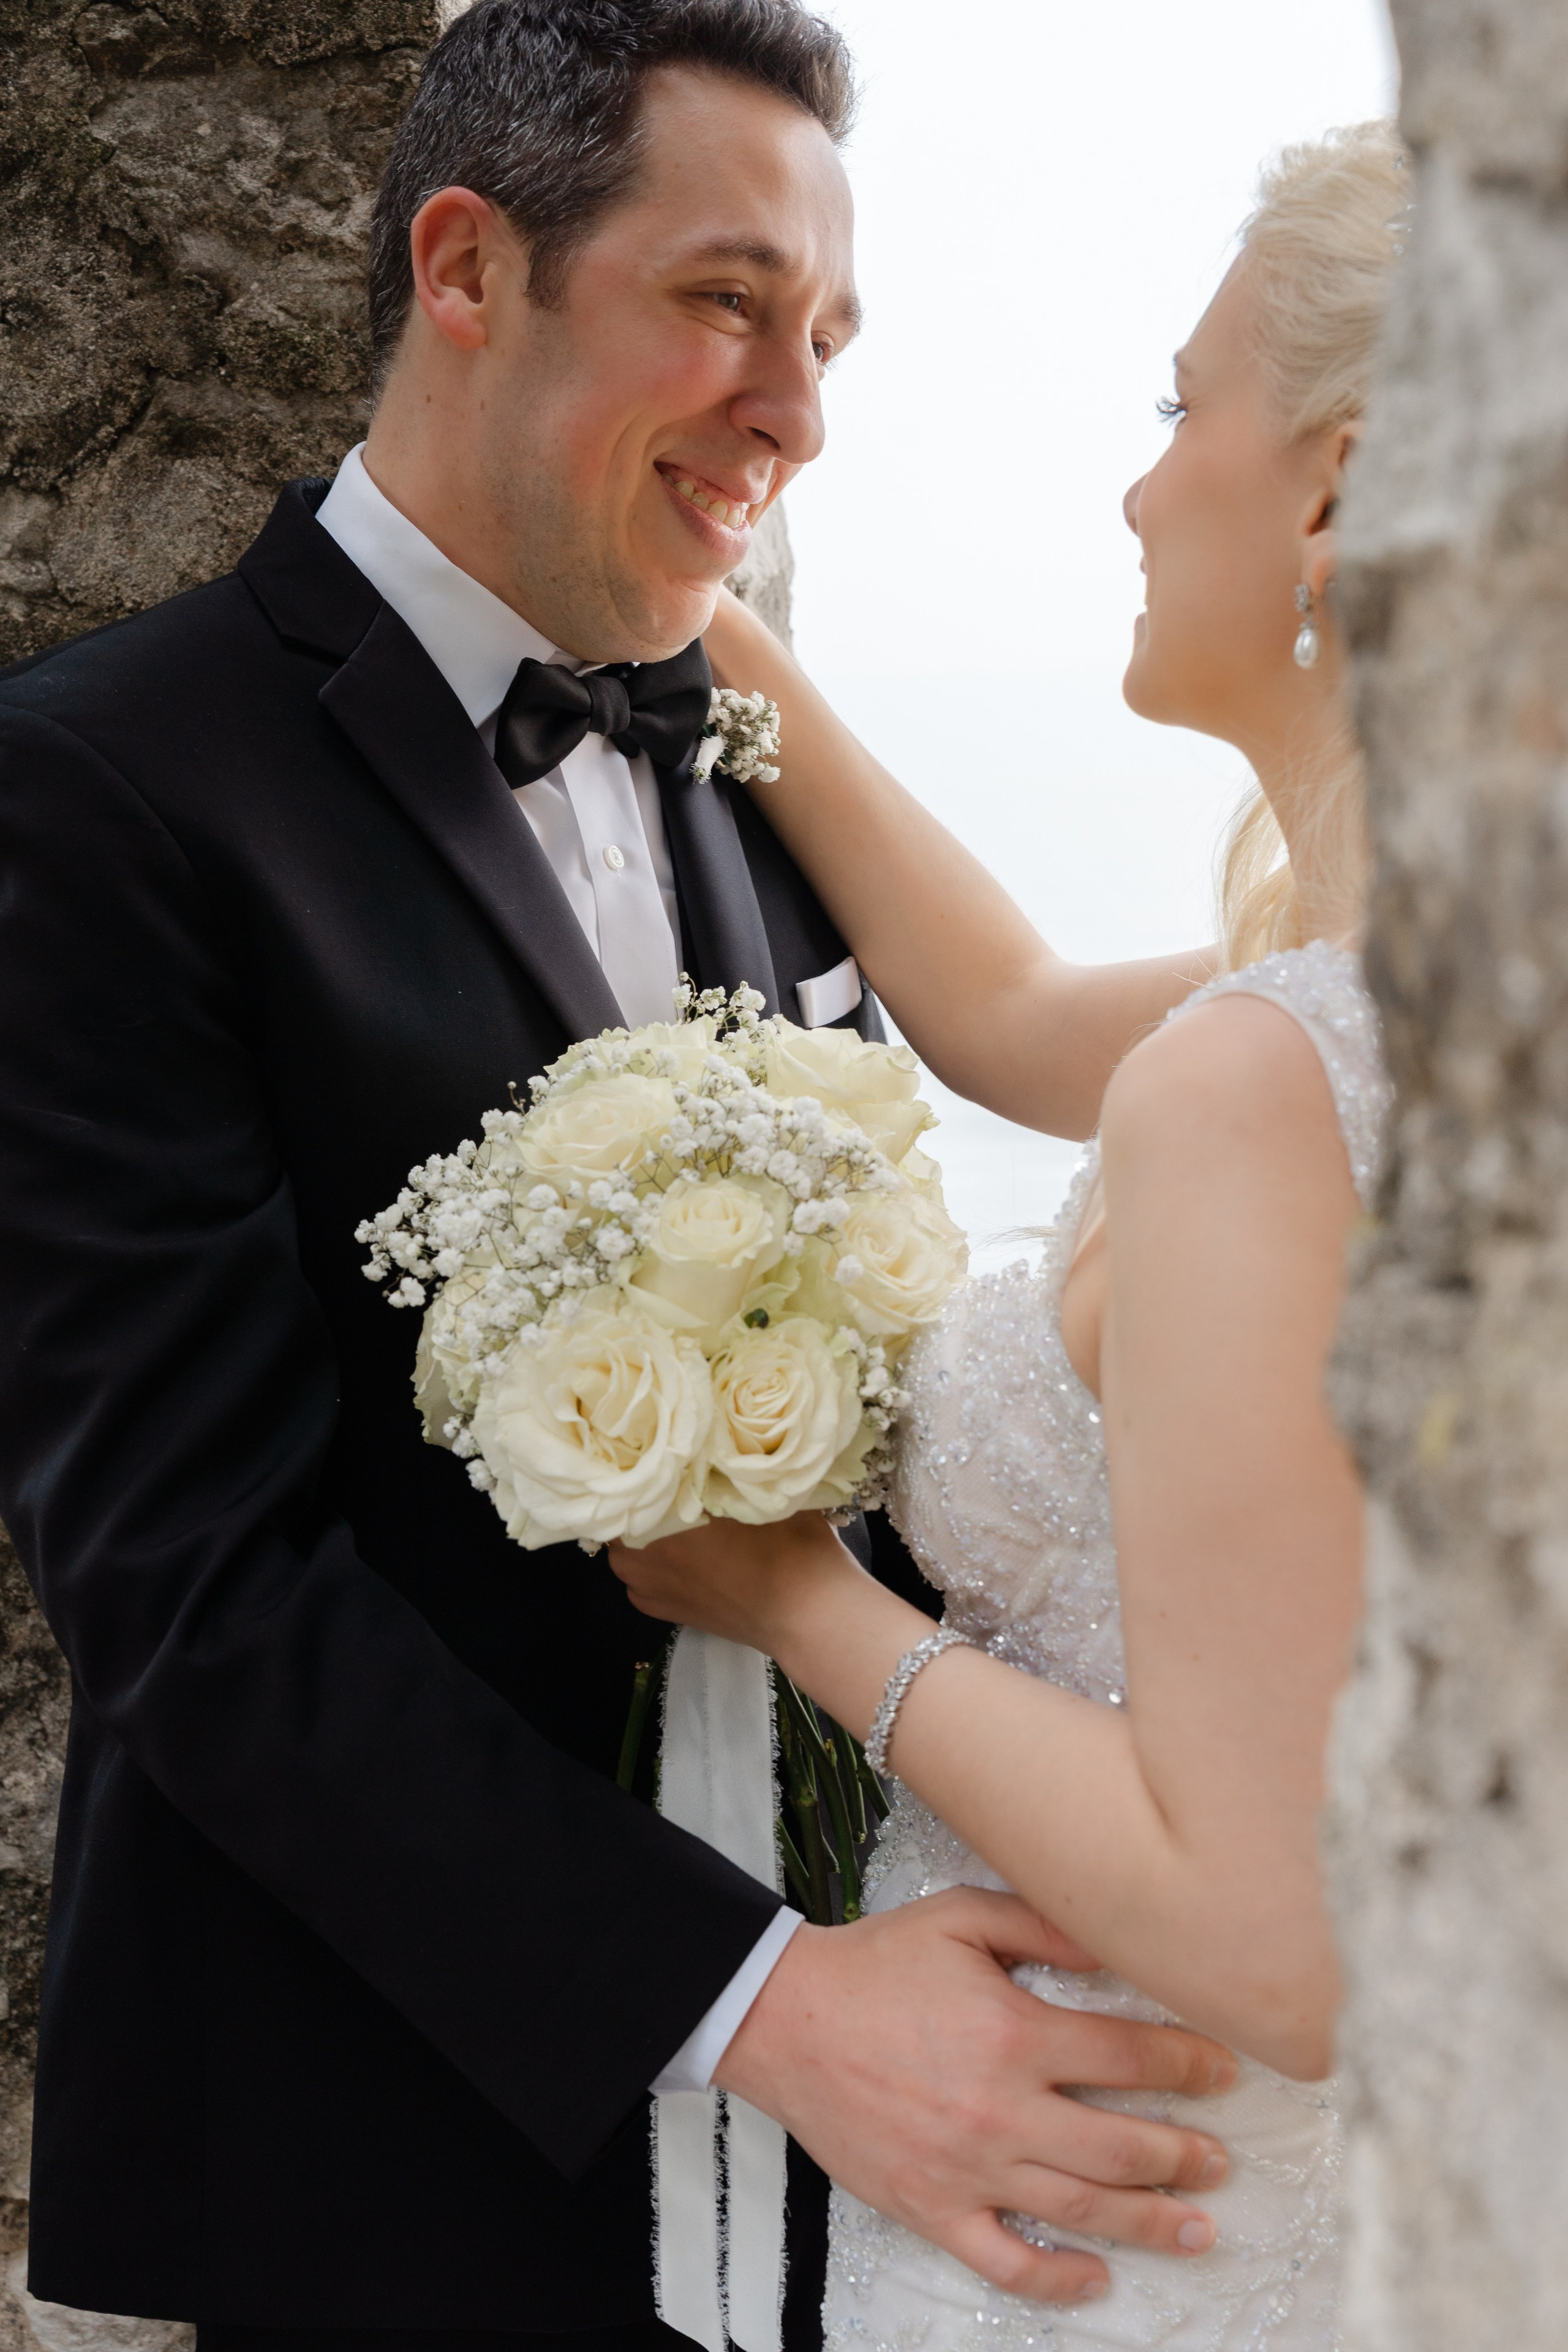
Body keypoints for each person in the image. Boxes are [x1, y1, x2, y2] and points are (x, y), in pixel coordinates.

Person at [0, 6, 1243, 2348]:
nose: (798, 407)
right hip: (375, 2177)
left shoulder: (743, 747)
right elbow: (184, 1587)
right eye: (724, 303)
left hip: (831, 2192)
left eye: (829, 337)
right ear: (467, 268)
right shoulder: (100, 790)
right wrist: (773, 2005)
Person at [609, 124, 1407, 2350]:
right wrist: (700, 623)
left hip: (1133, 2231)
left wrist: (792, 1604)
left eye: (1182, 409)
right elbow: (1020, 1019)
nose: (1145, 487)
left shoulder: (1274, 1081)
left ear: (1336, 490)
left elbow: (1278, 1938)